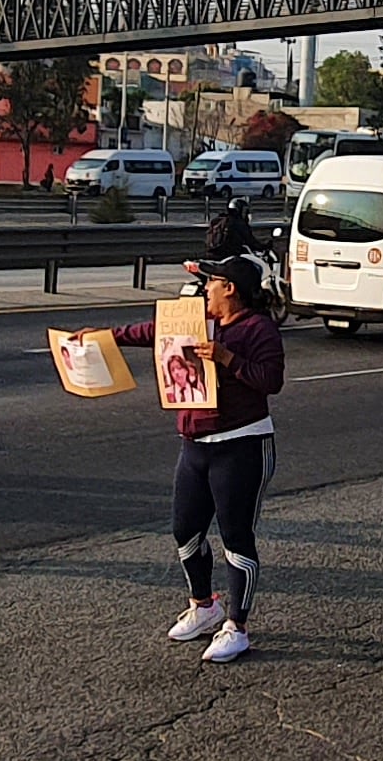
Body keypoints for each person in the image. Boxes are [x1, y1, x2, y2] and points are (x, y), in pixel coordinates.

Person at [111, 256, 289, 664]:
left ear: (231, 289)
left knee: (236, 536)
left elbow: (271, 381)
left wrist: (226, 358)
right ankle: (203, 605)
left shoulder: (257, 328)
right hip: (194, 444)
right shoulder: (199, 320)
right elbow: (153, 333)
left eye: (212, 282)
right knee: (184, 530)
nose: (205, 288)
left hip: (242, 444)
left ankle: (236, 627)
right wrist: (106, 337)